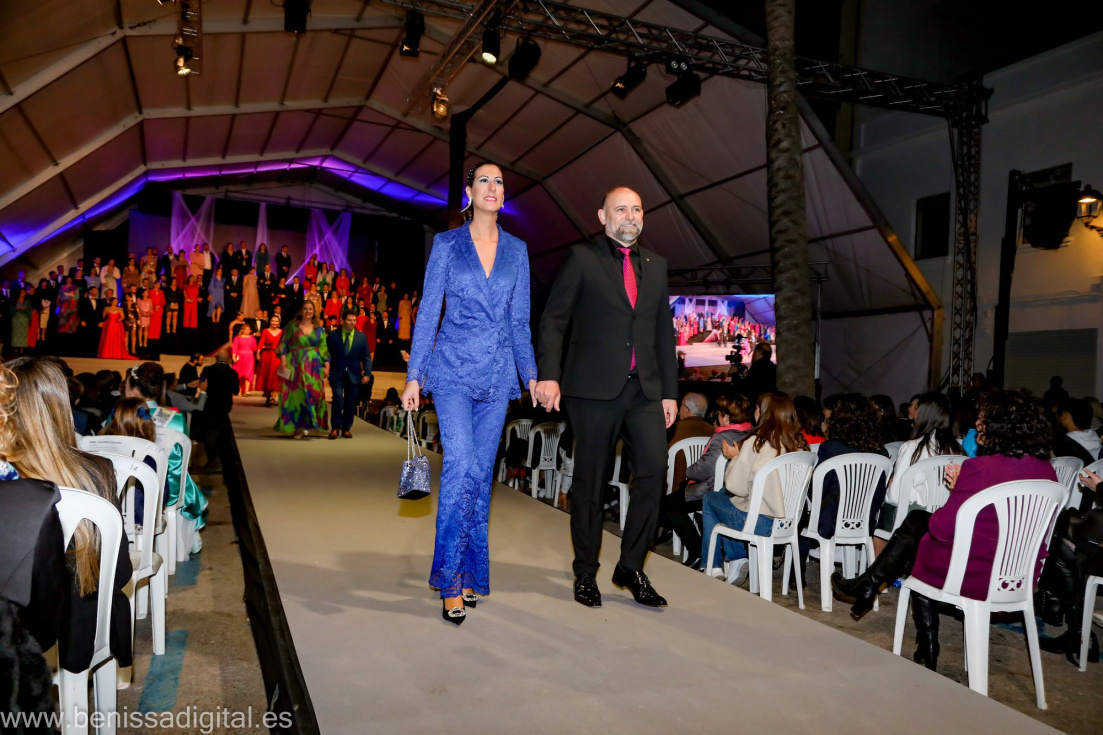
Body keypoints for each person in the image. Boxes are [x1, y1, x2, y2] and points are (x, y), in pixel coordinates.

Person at [831, 391, 1058, 672]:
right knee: (917, 522)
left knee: (919, 543)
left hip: (974, 574)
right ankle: (871, 588)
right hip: (1020, 574)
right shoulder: (1047, 472)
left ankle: (888, 605)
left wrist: (960, 487)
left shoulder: (979, 469)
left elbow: (941, 529)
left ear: (1001, 427)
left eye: (983, 420)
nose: (977, 424)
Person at [401, 162, 538, 625]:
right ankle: (450, 580)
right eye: (484, 180)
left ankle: (471, 572)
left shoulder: (517, 250)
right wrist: (415, 375)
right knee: (460, 467)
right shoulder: (447, 245)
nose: (492, 187)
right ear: (469, 192)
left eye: (499, 181)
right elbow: (428, 312)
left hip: (497, 377)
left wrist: (531, 374)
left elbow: (519, 320)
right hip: (453, 372)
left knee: (479, 476)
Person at [535, 185, 678, 609]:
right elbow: (554, 321)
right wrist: (549, 375)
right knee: (591, 482)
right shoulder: (582, 259)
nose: (630, 216)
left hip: (645, 390)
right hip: (592, 391)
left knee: (653, 473)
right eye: (621, 209)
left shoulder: (657, 265)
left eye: (637, 209)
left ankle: (631, 566)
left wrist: (670, 393)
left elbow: (663, 334)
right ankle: (585, 571)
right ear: (603, 217)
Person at [3, 357, 133, 676]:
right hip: (75, 631)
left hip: (17, 637)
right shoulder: (98, 471)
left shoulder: (8, 483)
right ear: (62, 407)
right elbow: (119, 573)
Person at [700, 393, 809, 583]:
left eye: (757, 409)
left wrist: (735, 458)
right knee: (723, 498)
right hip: (789, 522)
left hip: (760, 522)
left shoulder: (758, 443)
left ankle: (714, 566)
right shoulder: (800, 445)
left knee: (710, 499)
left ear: (763, 412)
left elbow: (736, 487)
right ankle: (735, 558)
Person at [122, 362, 207, 555]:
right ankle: (187, 532)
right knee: (184, 477)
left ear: (135, 390)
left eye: (126, 386)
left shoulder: (118, 416)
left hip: (125, 489)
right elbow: (182, 457)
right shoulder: (175, 418)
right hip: (166, 489)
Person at [661, 394, 754, 567]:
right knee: (683, 494)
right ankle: (709, 547)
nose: (717, 417)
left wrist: (688, 471)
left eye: (720, 413)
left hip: (713, 492)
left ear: (726, 416)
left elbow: (702, 470)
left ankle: (697, 551)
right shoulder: (751, 433)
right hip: (738, 492)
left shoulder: (723, 437)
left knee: (669, 503)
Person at [874, 392, 965, 551]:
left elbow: (895, 496)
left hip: (914, 519)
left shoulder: (912, 447)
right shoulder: (958, 449)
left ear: (924, 414)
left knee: (876, 521)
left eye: (918, 408)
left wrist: (889, 487)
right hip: (946, 517)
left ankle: (884, 566)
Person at [275, 301, 329, 439]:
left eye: (310, 309)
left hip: (313, 365)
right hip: (294, 364)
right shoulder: (291, 326)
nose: (308, 311)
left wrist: (327, 366)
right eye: (305, 309)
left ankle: (307, 424)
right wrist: (283, 362)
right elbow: (283, 345)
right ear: (301, 310)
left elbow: (323, 349)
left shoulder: (319, 329)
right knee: (296, 396)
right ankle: (297, 427)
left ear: (314, 312)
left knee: (312, 394)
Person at [326, 310, 372, 439]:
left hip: (354, 374)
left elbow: (366, 357)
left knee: (350, 401)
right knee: (337, 398)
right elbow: (326, 353)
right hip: (336, 372)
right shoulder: (333, 335)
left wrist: (367, 373)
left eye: (354, 320)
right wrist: (325, 367)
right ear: (342, 321)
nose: (352, 323)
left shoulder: (361, 337)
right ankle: (335, 427)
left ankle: (346, 428)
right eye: (349, 320)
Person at [199, 351, 240, 473]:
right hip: (224, 405)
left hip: (209, 403)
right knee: (221, 431)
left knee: (210, 430)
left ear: (216, 359)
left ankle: (212, 459)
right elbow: (236, 390)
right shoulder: (233, 373)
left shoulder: (206, 369)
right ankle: (222, 460)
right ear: (228, 360)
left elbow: (201, 383)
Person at [668, 392, 714, 490]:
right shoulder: (714, 432)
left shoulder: (671, 431)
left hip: (673, 490)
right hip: (704, 490)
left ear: (686, 409)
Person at [1054, 398, 1101, 468]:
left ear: (1067, 416)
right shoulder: (1095, 437)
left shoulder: (1064, 445)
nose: (1059, 418)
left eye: (1061, 414)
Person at [256, 315, 284, 407]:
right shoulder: (265, 331)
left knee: (276, 375)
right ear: (270, 322)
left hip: (277, 356)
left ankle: (273, 397)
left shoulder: (282, 332)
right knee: (267, 375)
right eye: (273, 321)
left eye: (276, 321)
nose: (274, 323)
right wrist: (258, 353)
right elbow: (261, 342)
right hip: (266, 355)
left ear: (279, 323)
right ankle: (268, 396)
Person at [97, 292, 135, 360]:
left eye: (116, 301)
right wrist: (103, 322)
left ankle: (116, 353)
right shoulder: (106, 308)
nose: (116, 302)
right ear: (111, 302)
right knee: (108, 339)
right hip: (109, 325)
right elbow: (103, 317)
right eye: (114, 301)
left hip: (117, 325)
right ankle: (107, 353)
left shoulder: (120, 309)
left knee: (116, 339)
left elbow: (123, 316)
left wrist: (120, 318)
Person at [232, 322, 258, 395]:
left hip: (249, 358)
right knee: (238, 373)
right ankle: (239, 390)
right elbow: (234, 348)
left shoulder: (252, 338)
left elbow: (255, 348)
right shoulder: (237, 338)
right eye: (245, 329)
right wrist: (234, 357)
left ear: (250, 330)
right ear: (242, 330)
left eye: (248, 329)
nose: (247, 331)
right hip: (240, 357)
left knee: (248, 373)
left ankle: (246, 390)